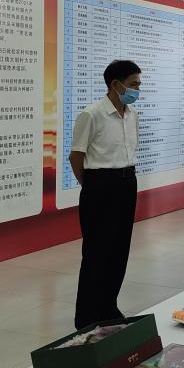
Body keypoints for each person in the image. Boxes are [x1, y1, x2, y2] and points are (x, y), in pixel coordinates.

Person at [69, 59, 142, 329]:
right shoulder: (92, 114)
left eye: (139, 84)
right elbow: (76, 157)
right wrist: (91, 186)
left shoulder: (132, 114)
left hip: (127, 183)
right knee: (97, 252)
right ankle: (87, 316)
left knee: (119, 250)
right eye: (133, 84)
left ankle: (108, 306)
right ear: (115, 84)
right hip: (100, 185)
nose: (137, 90)